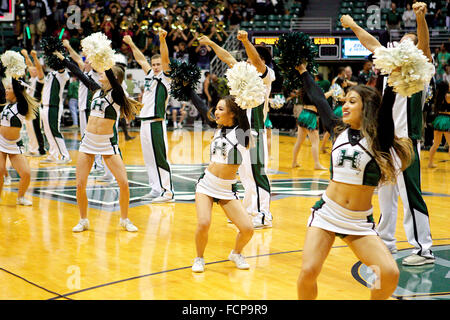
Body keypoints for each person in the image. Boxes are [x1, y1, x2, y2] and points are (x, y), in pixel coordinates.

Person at [295, 62, 414, 300]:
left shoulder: (380, 137)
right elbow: (319, 98)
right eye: (344, 101)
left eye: (352, 101)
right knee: (308, 271)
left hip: (358, 222)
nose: (344, 105)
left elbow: (388, 102)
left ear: (367, 107)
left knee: (389, 273)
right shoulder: (337, 129)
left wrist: (394, 72)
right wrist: (303, 72)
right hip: (327, 213)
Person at [341, 2, 435, 266]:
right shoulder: (386, 63)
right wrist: (353, 25)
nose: (403, 41)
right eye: (402, 39)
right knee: (385, 194)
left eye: (409, 40)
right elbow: (370, 41)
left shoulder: (421, 67)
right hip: (383, 137)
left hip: (405, 139)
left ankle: (423, 249)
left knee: (410, 194)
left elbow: (425, 46)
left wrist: (420, 20)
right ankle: (385, 242)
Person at [53, 51, 142, 233]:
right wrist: (63, 59)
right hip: (88, 142)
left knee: (123, 183)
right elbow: (78, 73)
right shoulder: (96, 90)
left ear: (114, 77)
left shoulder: (117, 94)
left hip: (107, 144)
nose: (100, 73)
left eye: (104, 72)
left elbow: (111, 76)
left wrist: (105, 59)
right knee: (80, 184)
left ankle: (124, 219)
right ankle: (83, 220)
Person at [198, 31, 275, 229]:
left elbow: (257, 62)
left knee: (257, 173)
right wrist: (211, 42)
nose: (247, 63)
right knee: (244, 175)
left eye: (250, 60)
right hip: (237, 133)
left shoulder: (265, 76)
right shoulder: (243, 75)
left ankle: (263, 215)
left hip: (254, 133)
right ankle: (248, 211)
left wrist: (245, 41)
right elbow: (227, 57)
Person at [189, 85, 254, 273]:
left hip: (226, 189)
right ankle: (199, 258)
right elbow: (202, 108)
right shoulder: (218, 129)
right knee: (203, 223)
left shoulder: (242, 134)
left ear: (233, 114)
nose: (216, 112)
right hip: (207, 183)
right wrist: (189, 90)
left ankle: (236, 253)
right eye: (216, 108)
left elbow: (246, 113)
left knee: (247, 229)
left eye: (220, 109)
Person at [124, 30, 174, 203]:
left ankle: (167, 191)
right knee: (149, 158)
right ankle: (155, 188)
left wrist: (162, 40)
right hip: (144, 122)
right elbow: (140, 59)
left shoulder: (166, 77)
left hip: (156, 122)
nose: (155, 66)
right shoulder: (150, 74)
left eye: (158, 64)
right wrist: (131, 43)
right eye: (154, 64)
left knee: (160, 157)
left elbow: (166, 58)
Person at [62, 39, 104, 172]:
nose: (84, 63)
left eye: (87, 62)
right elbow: (76, 58)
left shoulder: (97, 73)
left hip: (90, 109)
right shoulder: (84, 72)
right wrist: (68, 46)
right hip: (82, 108)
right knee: (85, 137)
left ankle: (98, 163)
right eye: (85, 62)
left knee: (92, 137)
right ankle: (92, 163)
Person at [0, 70, 40, 206]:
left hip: (14, 145)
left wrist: (15, 71)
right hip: (0, 142)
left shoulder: (21, 106)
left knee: (26, 173)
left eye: (9, 88)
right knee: (0, 170)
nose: (6, 90)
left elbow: (17, 87)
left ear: (16, 91)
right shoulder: (6, 104)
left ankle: (21, 197)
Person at [40, 47, 71, 164]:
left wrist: (58, 55)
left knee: (54, 131)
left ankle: (65, 155)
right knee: (47, 131)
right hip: (46, 106)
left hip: (54, 106)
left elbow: (62, 69)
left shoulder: (62, 75)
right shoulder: (50, 74)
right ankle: (53, 154)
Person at [292, 88, 327, 170]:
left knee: (299, 141)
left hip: (303, 113)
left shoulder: (303, 90)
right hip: (310, 116)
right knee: (315, 142)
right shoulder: (311, 90)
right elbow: (321, 98)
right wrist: (331, 92)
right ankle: (317, 164)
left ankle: (294, 162)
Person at [21, 49, 46, 157]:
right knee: (30, 130)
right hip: (29, 108)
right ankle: (33, 149)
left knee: (36, 129)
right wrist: (26, 56)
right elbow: (30, 66)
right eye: (32, 70)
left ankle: (40, 150)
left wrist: (35, 57)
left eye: (35, 69)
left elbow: (38, 68)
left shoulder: (40, 79)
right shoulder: (32, 79)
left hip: (35, 108)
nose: (33, 70)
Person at [320, 76, 348, 153]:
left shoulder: (337, 88)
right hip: (339, 110)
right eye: (345, 81)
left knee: (330, 130)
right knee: (338, 129)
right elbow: (339, 99)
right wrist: (347, 98)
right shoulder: (338, 89)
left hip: (336, 109)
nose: (346, 83)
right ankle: (334, 147)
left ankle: (323, 147)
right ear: (342, 83)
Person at [428, 81, 450, 168]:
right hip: (446, 120)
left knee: (436, 143)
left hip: (438, 119)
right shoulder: (448, 96)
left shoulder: (438, 96)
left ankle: (430, 163)